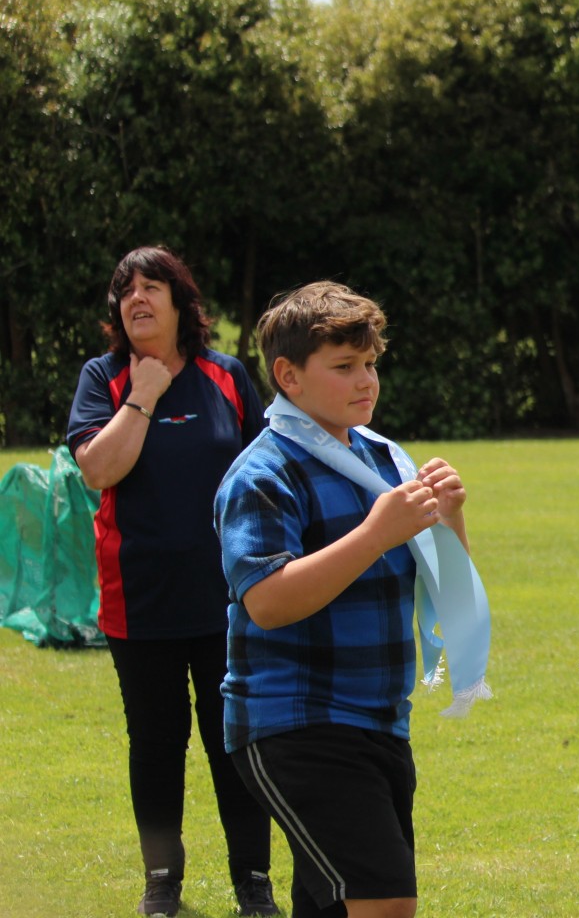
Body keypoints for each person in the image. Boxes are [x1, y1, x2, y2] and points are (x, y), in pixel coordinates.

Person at [214, 281, 473, 918]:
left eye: (370, 364)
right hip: (293, 722)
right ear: (288, 377)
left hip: (380, 722)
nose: (365, 381)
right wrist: (375, 534)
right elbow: (267, 602)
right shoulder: (262, 474)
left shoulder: (385, 460)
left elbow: (447, 587)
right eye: (344, 366)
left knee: (335, 905)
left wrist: (450, 518)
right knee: (386, 902)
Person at [67, 246, 280, 917]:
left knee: (234, 742)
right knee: (157, 746)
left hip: (230, 600)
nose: (137, 298)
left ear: (180, 301)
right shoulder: (102, 378)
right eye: (126, 289)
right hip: (140, 601)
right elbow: (98, 470)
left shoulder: (226, 375)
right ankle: (162, 883)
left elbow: (268, 467)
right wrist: (144, 395)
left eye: (151, 286)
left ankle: (253, 882)